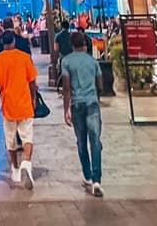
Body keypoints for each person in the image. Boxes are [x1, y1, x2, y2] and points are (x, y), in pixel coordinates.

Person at [0, 30, 38, 189]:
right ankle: (27, 162)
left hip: (8, 105)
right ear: (14, 42)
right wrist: (33, 98)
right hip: (24, 103)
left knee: (10, 139)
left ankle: (15, 168)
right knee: (27, 137)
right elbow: (32, 81)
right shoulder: (24, 57)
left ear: (3, 43)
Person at [62, 30, 104, 197]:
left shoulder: (66, 61)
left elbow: (66, 88)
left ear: (72, 45)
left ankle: (87, 175)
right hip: (92, 103)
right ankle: (97, 180)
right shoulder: (93, 62)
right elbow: (100, 85)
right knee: (95, 141)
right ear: (85, 44)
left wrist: (66, 109)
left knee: (81, 141)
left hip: (77, 104)